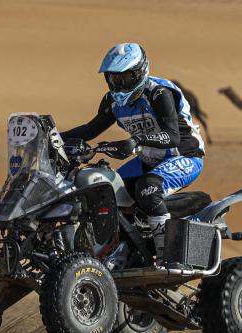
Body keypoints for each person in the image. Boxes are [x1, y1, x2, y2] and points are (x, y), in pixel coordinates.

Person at [60, 42, 205, 259]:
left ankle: (166, 255)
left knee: (148, 189)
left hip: (184, 156)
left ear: (139, 72)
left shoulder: (158, 93)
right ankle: (125, 251)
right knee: (107, 191)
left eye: (124, 78)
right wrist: (54, 138)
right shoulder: (113, 101)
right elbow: (91, 129)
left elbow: (173, 136)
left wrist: (137, 141)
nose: (117, 85)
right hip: (148, 158)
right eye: (112, 78)